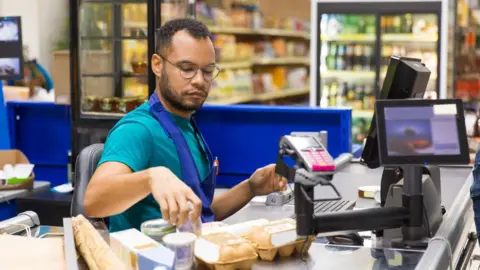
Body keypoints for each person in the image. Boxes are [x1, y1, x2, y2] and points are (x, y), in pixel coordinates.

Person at [83, 18, 287, 232]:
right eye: (187, 68)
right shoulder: (138, 130)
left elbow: (200, 215)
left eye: (207, 71)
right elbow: (94, 201)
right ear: (157, 65)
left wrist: (251, 187)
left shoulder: (186, 125)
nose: (199, 80)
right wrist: (151, 177)